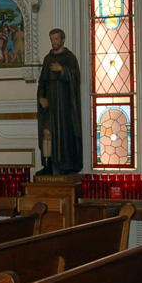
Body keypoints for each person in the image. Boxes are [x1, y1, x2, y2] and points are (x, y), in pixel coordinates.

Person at [36, 28, 82, 175]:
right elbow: (42, 82)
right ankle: (47, 165)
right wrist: (41, 97)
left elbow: (76, 78)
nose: (54, 42)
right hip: (50, 105)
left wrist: (62, 69)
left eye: (57, 39)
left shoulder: (70, 57)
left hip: (64, 105)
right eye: (52, 39)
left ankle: (66, 166)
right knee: (46, 132)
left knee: (64, 134)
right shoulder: (47, 59)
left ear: (63, 40)